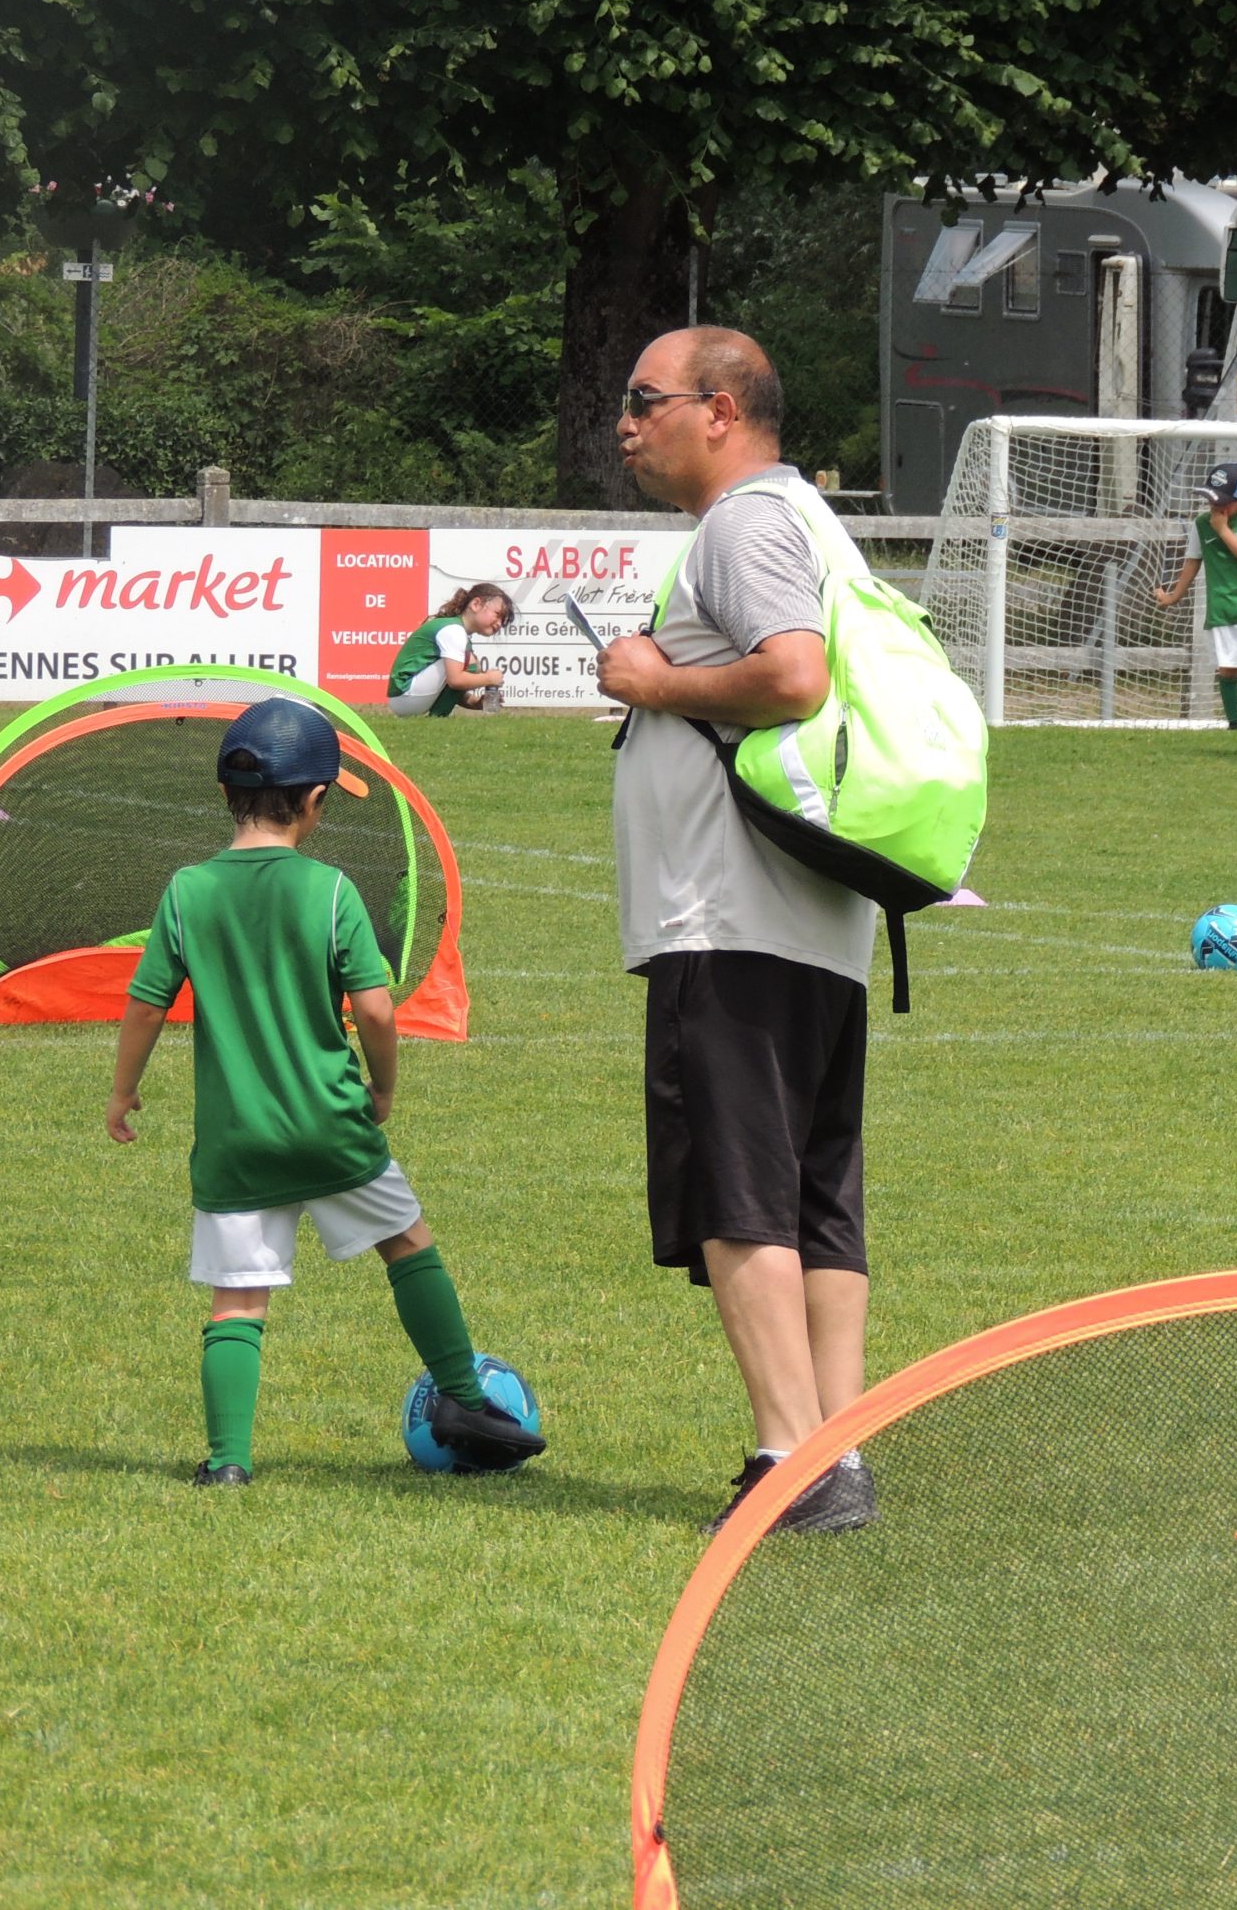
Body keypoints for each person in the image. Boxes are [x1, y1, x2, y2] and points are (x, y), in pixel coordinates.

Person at [105, 698, 545, 1485]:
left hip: (237, 1141)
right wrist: (383, 1087)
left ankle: (228, 1463)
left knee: (238, 1300)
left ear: (225, 793)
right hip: (332, 1124)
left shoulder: (187, 890)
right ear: (315, 800)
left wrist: (123, 1091)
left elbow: (145, 1006)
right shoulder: (333, 891)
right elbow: (375, 1010)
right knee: (406, 1243)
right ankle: (464, 1396)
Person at [596, 324, 877, 1537]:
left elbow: (793, 675)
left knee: (741, 1188)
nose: (624, 422)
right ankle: (838, 1453)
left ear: (718, 410)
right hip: (809, 913)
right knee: (814, 1194)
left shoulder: (743, 524)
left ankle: (791, 1459)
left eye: (644, 398)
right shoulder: (811, 519)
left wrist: (651, 683)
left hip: (730, 911)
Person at [1152, 461, 1237, 730]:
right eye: (1210, 499)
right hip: (1221, 608)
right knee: (1228, 668)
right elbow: (1192, 561)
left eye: (1221, 501)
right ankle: (1234, 724)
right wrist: (1173, 596)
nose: (1214, 506)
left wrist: (1222, 529)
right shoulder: (1201, 524)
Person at [388, 584, 513, 717]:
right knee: (469, 663)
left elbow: (448, 687)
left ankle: (434, 719)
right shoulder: (454, 630)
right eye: (497, 614)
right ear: (476, 604)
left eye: (503, 620)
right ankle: (437, 718)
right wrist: (489, 678)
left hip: (404, 698)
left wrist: (475, 702)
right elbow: (456, 681)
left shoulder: (456, 630)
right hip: (405, 694)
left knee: (467, 663)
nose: (499, 623)